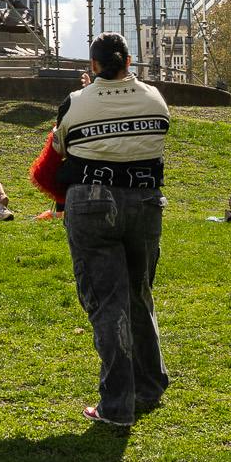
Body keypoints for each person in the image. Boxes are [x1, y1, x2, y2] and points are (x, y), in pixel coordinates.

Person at [53, 32, 171, 427]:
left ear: (93, 66)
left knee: (108, 303)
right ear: (130, 61)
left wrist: (86, 97)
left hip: (92, 201)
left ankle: (117, 405)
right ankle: (150, 385)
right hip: (144, 201)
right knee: (139, 294)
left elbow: (58, 148)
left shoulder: (76, 102)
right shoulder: (155, 98)